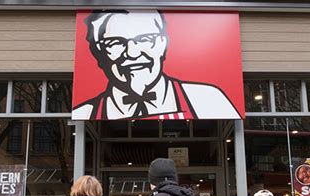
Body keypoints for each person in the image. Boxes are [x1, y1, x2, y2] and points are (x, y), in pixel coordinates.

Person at [72, 10, 241, 120]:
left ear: (162, 44)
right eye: (115, 43)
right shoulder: (84, 113)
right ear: (99, 53)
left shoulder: (208, 99)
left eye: (145, 39)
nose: (132, 53)